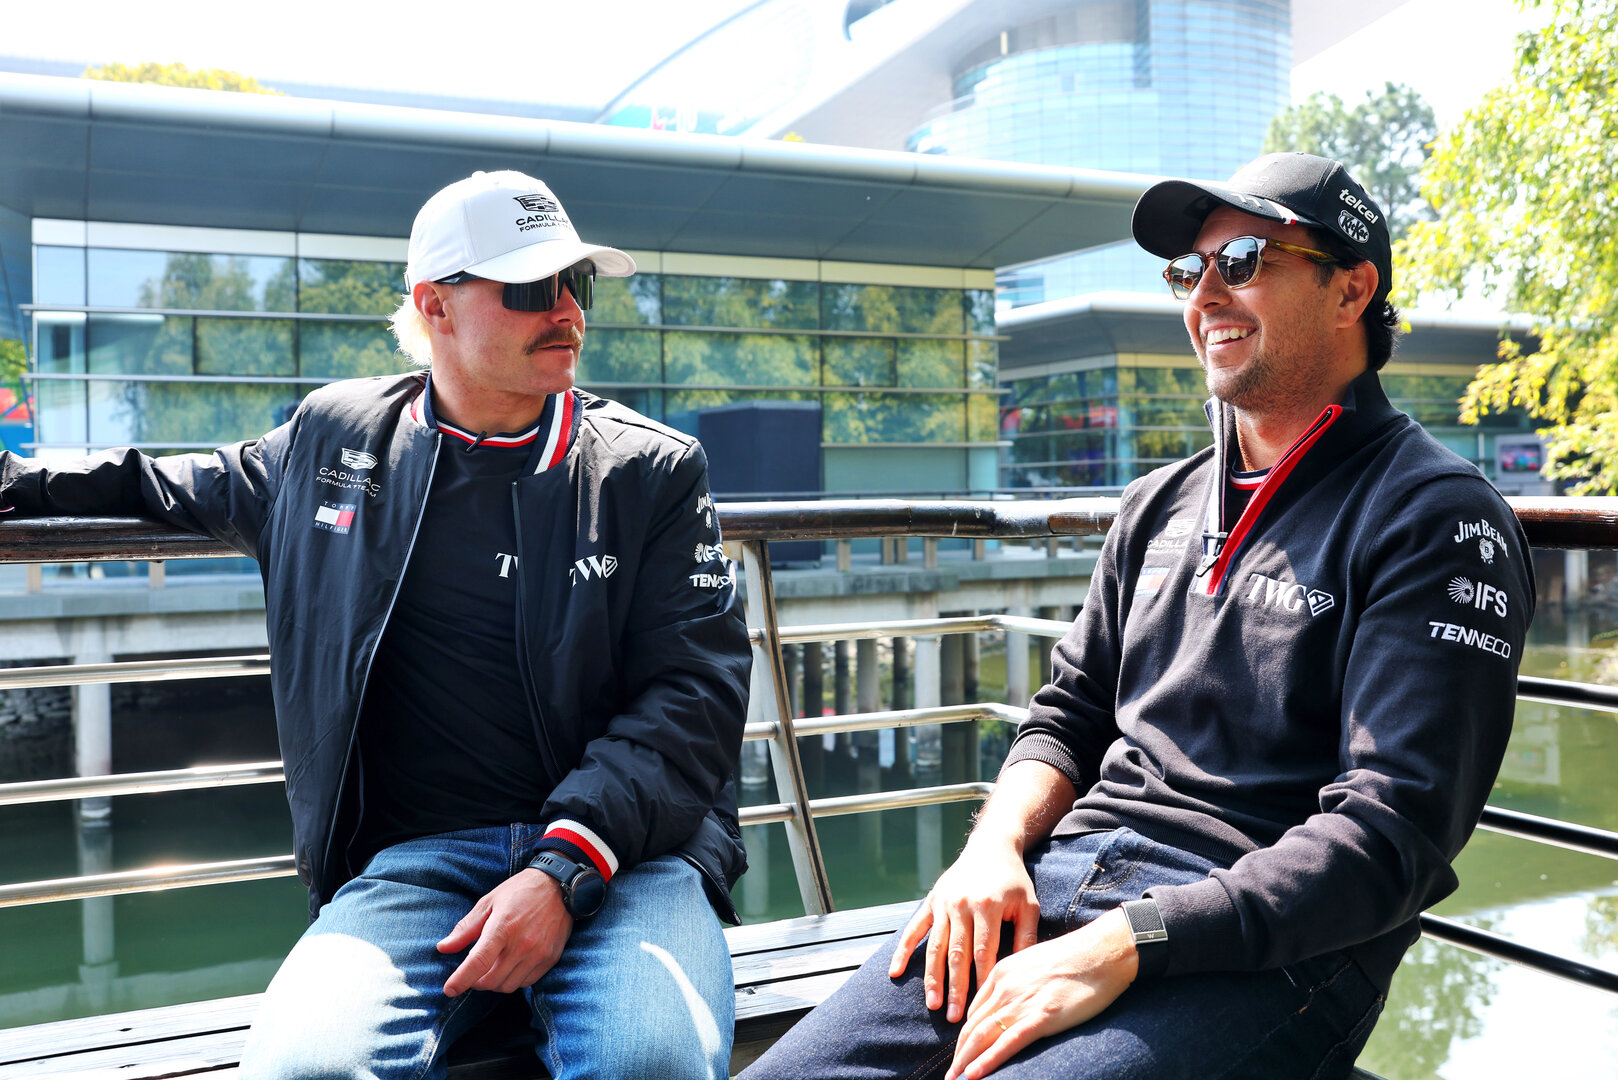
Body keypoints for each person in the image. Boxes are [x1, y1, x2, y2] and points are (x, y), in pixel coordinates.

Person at [741, 152, 1534, 1080]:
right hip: (1060, 882)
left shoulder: (1437, 515)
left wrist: (1124, 942)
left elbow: (1389, 834)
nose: (1206, 296)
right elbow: (1067, 714)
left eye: (1242, 260)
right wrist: (992, 849)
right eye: (1187, 271)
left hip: (1272, 949)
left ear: (1352, 288)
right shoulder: (1158, 503)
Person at [0, 170, 752, 1080]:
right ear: (434, 306)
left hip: (629, 860)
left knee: (652, 1064)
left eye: (576, 283)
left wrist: (562, 869)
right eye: (529, 288)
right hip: (414, 863)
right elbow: (155, 485)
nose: (565, 311)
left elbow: (697, 694)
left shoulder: (650, 472)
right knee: (300, 1072)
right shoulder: (337, 443)